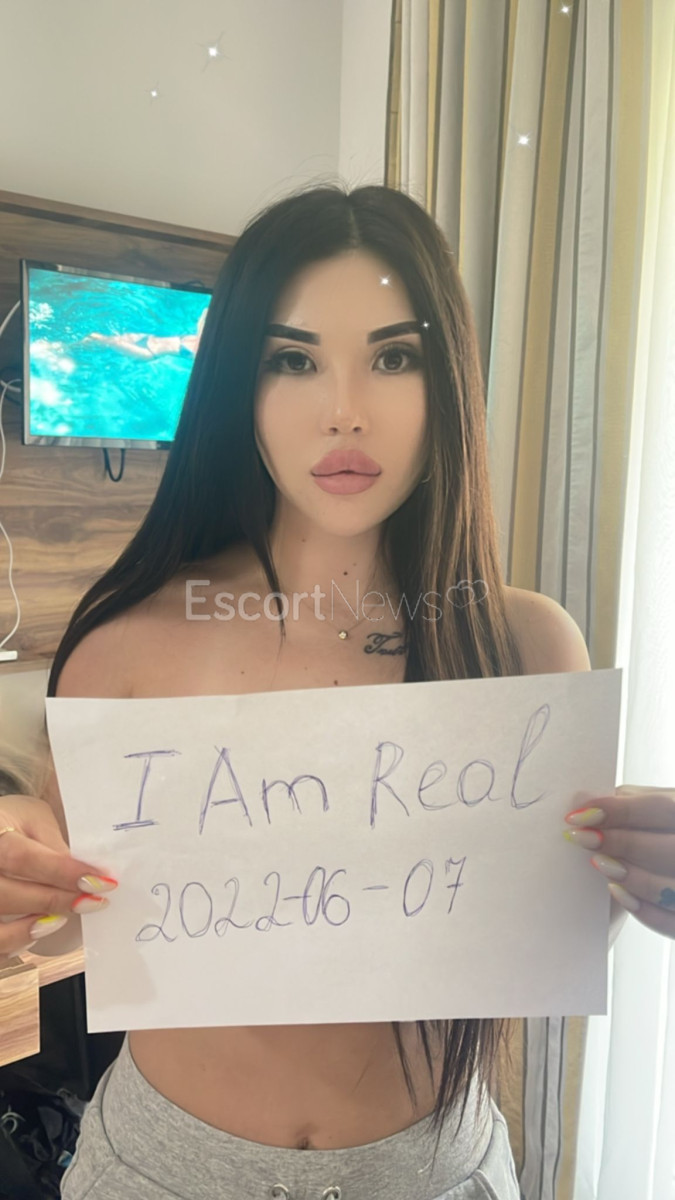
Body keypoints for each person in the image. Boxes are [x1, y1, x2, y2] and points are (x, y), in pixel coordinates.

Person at [0, 183, 672, 1200]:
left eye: (394, 358)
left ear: (447, 384)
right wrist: (21, 878)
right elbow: (80, 918)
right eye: (293, 359)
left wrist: (639, 876)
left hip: (434, 1171)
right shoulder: (127, 642)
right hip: (161, 1170)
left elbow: (535, 928)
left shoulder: (525, 644)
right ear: (240, 384)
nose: (345, 409)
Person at [81, 306, 208, 360]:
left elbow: (204, 316)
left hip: (148, 347)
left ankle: (71, 346)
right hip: (147, 345)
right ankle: (73, 346)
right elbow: (205, 313)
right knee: (99, 342)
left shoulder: (200, 346)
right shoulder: (202, 345)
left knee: (100, 340)